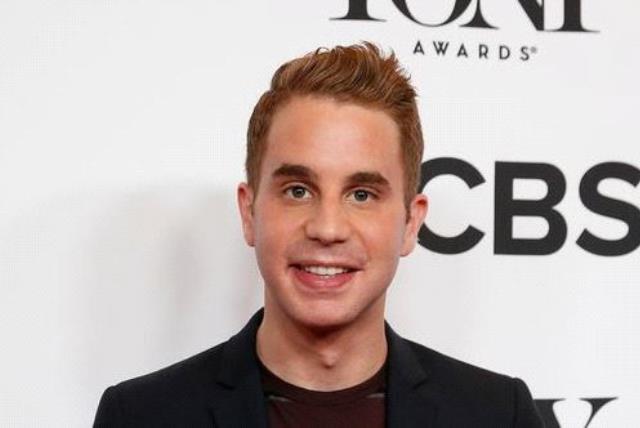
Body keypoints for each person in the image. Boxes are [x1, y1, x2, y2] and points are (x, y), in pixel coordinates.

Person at [94, 42, 544, 427]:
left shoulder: (498, 415)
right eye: (297, 190)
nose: (327, 228)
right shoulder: (141, 415)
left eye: (362, 194)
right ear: (249, 212)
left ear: (410, 223)